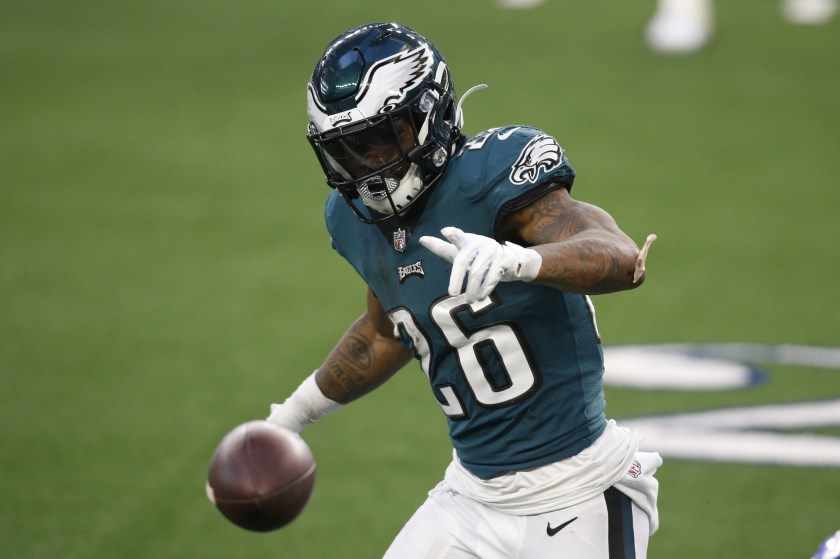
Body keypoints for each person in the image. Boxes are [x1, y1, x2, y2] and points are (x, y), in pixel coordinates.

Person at [267, 22, 661, 558]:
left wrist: (522, 261)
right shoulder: (351, 220)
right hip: (471, 497)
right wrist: (291, 416)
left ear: (429, 115)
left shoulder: (493, 173)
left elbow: (621, 257)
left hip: (581, 488)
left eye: (383, 138)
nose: (368, 166)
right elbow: (386, 331)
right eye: (349, 150)